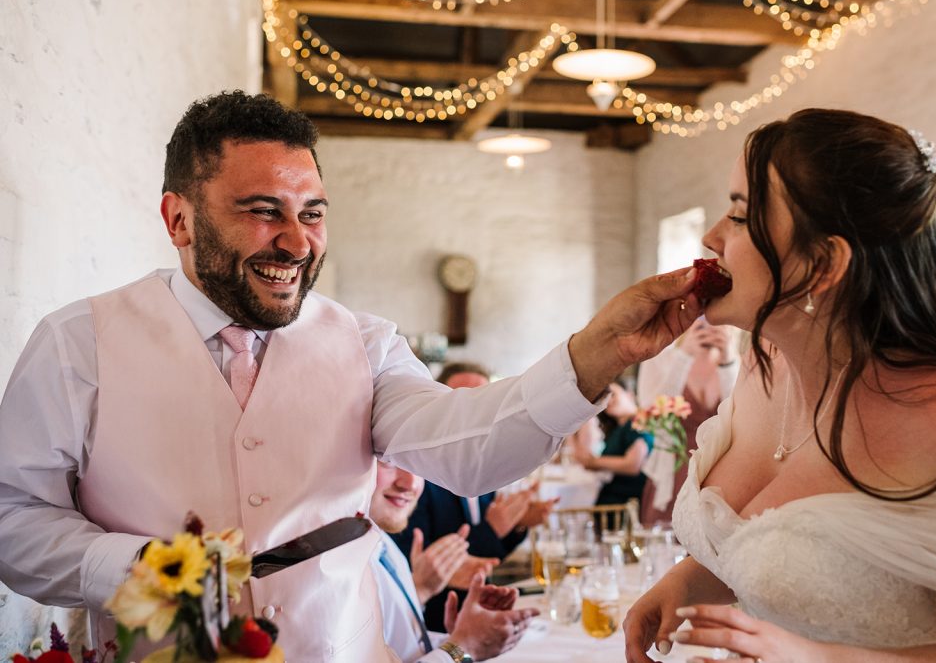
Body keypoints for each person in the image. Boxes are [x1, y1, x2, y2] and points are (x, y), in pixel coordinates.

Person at [0, 91, 699, 660]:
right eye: (262, 211)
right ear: (178, 220)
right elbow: (12, 519)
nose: (298, 243)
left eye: (312, 214)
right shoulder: (78, 345)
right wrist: (133, 569)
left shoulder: (364, 342)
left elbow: (467, 448)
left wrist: (599, 352)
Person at [623, 108, 936, 662]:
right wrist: (689, 582)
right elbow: (760, 547)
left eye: (741, 216)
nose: (712, 236)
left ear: (823, 263)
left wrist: (818, 658)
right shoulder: (764, 357)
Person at [394, 361, 557, 631]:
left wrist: (516, 524)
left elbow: (486, 557)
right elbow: (426, 568)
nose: (474, 414)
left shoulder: (481, 466)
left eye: (483, 403)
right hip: (431, 624)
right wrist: (494, 528)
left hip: (475, 611)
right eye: (462, 401)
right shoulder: (415, 479)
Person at [369, 459, 538, 662]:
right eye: (388, 461)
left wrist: (465, 635)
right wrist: (465, 647)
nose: (411, 484)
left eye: (419, 464)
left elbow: (402, 648)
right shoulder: (339, 565)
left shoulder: (382, 543)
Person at [636, 318, 739, 524]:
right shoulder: (660, 358)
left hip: (719, 475)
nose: (709, 324)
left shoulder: (738, 363)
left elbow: (741, 418)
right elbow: (651, 416)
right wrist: (683, 357)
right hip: (673, 471)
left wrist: (728, 362)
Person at [572, 381, 654, 506]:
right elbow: (583, 458)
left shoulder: (639, 423)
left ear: (630, 395)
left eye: (613, 394)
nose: (608, 401)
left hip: (626, 502)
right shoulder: (616, 430)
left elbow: (633, 465)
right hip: (612, 499)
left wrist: (594, 462)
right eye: (603, 398)